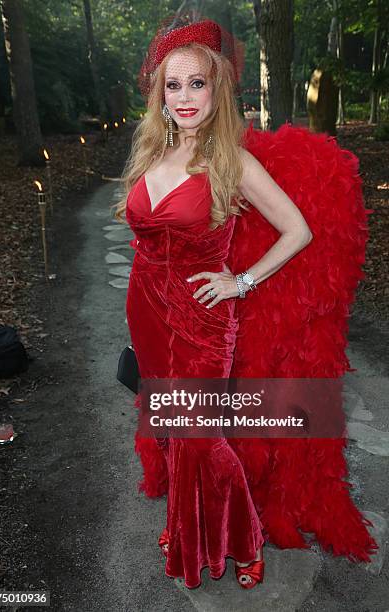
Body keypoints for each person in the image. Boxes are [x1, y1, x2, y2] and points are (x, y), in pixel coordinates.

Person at [114, 16, 378, 590]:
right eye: (173, 85)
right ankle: (188, 523)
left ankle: (242, 538)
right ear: (159, 93)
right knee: (171, 425)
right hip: (146, 309)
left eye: (198, 84)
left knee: (202, 435)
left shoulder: (232, 159)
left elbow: (298, 230)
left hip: (203, 318)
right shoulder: (150, 155)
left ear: (219, 89)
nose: (185, 97)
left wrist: (242, 281)